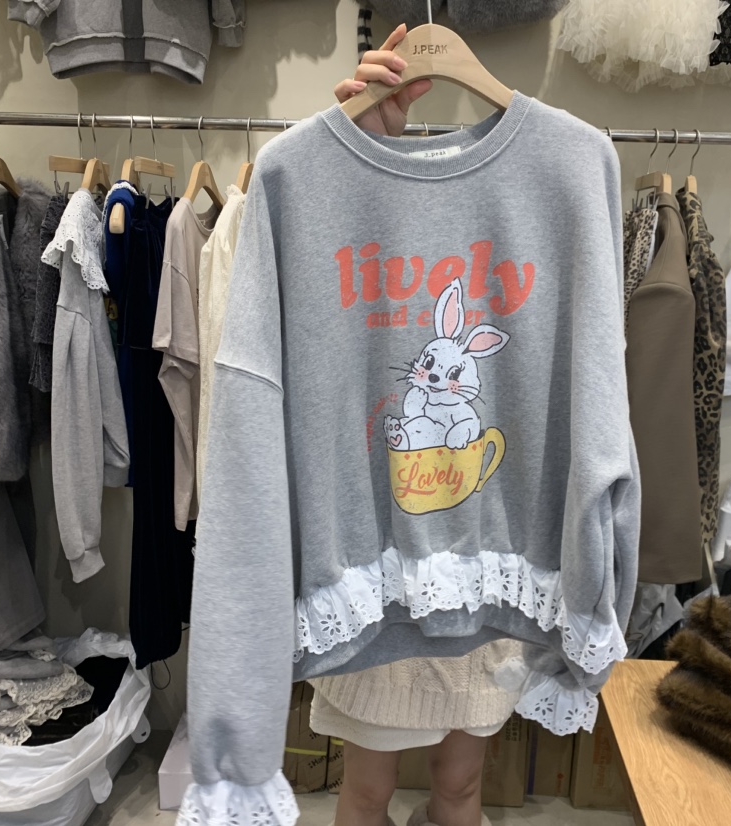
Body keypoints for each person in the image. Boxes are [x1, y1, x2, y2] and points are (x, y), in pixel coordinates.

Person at [315, 25, 524, 826]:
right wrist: (355, 147)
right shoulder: (328, 180)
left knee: (460, 787)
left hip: (482, 572)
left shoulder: (544, 174)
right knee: (366, 789)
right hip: (380, 575)